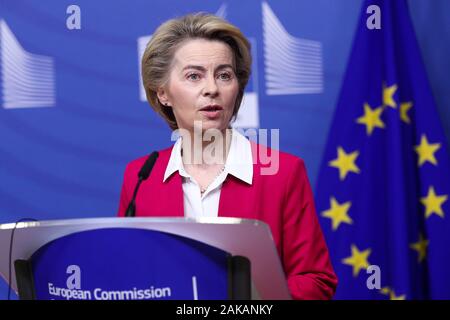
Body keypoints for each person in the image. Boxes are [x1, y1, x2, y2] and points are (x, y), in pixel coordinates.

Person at [118, 13, 337, 300]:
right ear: (163, 93)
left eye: (224, 75)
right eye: (194, 76)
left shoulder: (282, 172)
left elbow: (316, 281)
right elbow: (126, 278)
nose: (212, 88)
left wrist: (240, 301)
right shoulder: (140, 176)